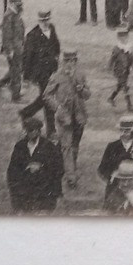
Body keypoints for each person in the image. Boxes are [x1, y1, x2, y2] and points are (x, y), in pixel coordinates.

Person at [44, 49, 90, 189]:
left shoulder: (80, 75)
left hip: (79, 117)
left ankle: (71, 169)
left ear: (76, 61)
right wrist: (57, 108)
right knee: (67, 147)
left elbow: (88, 95)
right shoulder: (56, 77)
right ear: (63, 62)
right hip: (64, 118)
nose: (70, 64)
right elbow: (47, 96)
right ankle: (71, 178)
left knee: (75, 147)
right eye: (67, 61)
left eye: (73, 61)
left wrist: (82, 89)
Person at [6, 114, 64, 214]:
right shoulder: (20, 146)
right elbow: (13, 169)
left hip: (44, 191)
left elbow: (58, 169)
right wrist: (26, 168)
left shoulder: (49, 147)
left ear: (38, 131)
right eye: (28, 130)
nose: (30, 133)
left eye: (33, 130)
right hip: (25, 190)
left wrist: (41, 167)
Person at [0, 0, 25, 101]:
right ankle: (15, 96)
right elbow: (6, 35)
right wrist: (9, 50)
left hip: (18, 48)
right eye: (18, 3)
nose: (20, 5)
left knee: (16, 69)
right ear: (11, 3)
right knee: (16, 71)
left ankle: (0, 83)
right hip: (13, 49)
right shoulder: (9, 15)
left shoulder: (15, 14)